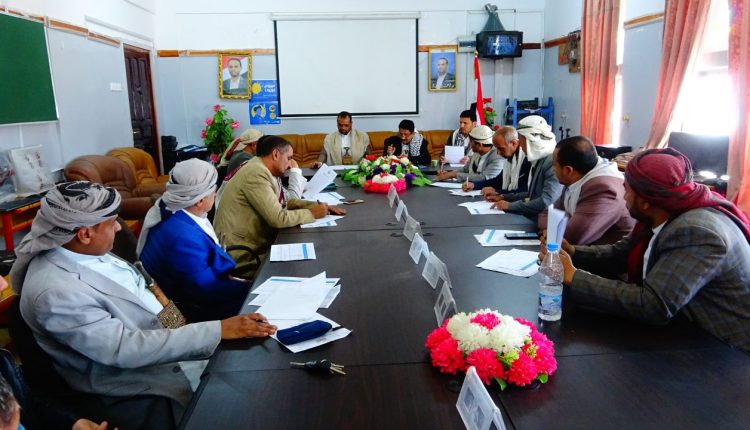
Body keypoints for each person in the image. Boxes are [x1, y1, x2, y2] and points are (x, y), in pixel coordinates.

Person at [10, 181, 277, 429]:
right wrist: (216, 331)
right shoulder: (55, 292)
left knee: (258, 374)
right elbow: (125, 348)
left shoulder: (85, 250)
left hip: (172, 347)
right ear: (85, 234)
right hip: (139, 385)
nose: (118, 228)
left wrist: (193, 331)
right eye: (112, 223)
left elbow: (151, 295)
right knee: (250, 410)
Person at [540, 148, 750, 352]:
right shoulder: (666, 210)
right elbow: (618, 254)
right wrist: (573, 252)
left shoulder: (696, 232)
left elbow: (654, 304)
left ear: (645, 202)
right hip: (685, 331)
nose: (623, 197)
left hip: (723, 350)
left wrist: (573, 276)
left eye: (626, 189)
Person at [214, 136, 346, 279]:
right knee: (307, 267)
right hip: (244, 256)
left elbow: (285, 202)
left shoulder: (262, 168)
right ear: (276, 154)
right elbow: (278, 218)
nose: (290, 165)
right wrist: (312, 214)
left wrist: (316, 206)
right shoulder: (256, 173)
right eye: (289, 158)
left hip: (254, 245)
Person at [137, 159, 251, 322]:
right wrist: (250, 287)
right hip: (196, 312)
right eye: (213, 189)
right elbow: (207, 291)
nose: (215, 193)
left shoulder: (170, 205)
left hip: (198, 292)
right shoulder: (181, 237)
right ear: (199, 200)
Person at [537, 136, 634, 245]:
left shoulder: (603, 189)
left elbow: (572, 237)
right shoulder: (576, 177)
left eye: (554, 165)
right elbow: (546, 214)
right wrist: (554, 229)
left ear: (568, 170)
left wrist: (554, 229)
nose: (553, 169)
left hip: (600, 254)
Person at [487, 115, 563, 218]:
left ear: (531, 140)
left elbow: (546, 202)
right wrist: (504, 197)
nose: (521, 146)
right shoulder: (540, 160)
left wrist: (511, 206)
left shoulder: (552, 162)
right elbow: (531, 195)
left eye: (521, 141)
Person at [463, 125, 532, 196]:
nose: (498, 153)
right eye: (496, 148)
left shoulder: (527, 161)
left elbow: (524, 191)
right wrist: (474, 185)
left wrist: (498, 192)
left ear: (513, 143)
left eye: (501, 148)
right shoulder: (509, 158)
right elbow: (499, 180)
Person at [435, 125, 504, 182]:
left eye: (471, 142)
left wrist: (453, 175)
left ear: (479, 145)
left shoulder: (497, 157)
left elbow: (483, 178)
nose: (469, 144)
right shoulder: (477, 152)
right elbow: (465, 169)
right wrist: (448, 174)